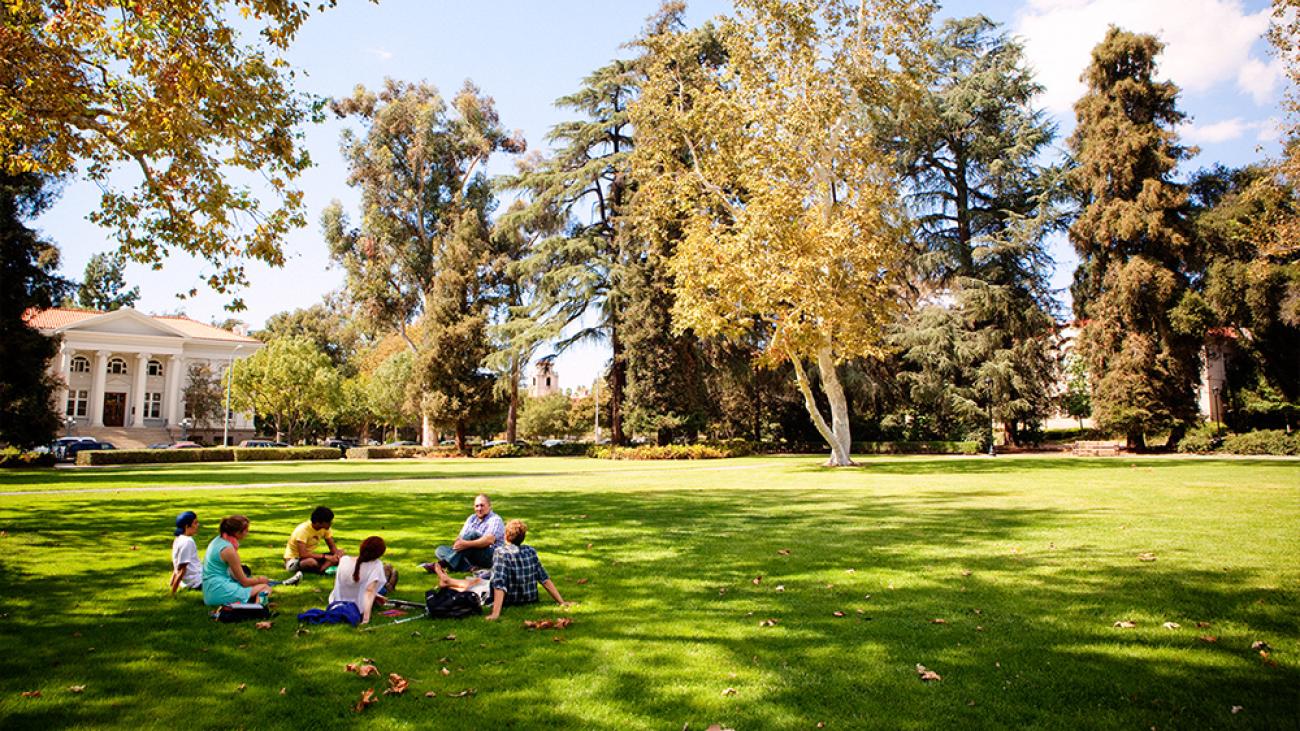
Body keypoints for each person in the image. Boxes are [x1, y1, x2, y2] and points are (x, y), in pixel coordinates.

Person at [436, 519, 567, 621]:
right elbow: (544, 579)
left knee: (478, 584)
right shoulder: (530, 551)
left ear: (505, 535)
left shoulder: (501, 553)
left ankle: (447, 581)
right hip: (529, 598)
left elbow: (500, 584)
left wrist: (495, 613)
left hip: (510, 599)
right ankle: (447, 582)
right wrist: (561, 602)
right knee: (483, 579)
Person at [203, 515, 272, 607]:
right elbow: (245, 582)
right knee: (265, 588)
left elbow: (234, 575)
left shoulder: (218, 540)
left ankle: (252, 601)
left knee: (251, 587)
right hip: (219, 591)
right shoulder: (228, 550)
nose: (248, 532)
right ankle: (258, 609)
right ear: (237, 532)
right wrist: (260, 580)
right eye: (246, 530)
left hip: (210, 591)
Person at [426, 494, 505, 573]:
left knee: (473, 535)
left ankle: (442, 564)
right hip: (471, 554)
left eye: (482, 505)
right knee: (440, 550)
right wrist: (461, 544)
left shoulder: (495, 519)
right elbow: (459, 538)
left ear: (489, 506)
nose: (479, 508)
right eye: (477, 506)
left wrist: (467, 544)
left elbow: (489, 540)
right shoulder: (472, 518)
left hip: (491, 556)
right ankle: (469, 568)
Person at [330, 536, 389, 625]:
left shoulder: (344, 560)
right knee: (389, 572)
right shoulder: (376, 565)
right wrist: (365, 619)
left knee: (387, 571)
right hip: (358, 606)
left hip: (337, 602)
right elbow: (369, 591)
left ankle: (387, 585)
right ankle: (389, 585)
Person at [283, 506, 342, 574]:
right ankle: (323, 569)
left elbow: (332, 547)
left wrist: (336, 556)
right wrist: (326, 557)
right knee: (311, 562)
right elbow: (303, 554)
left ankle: (322, 569)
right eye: (328, 522)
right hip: (294, 560)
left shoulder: (325, 529)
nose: (331, 523)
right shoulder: (303, 530)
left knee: (341, 553)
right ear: (318, 522)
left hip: (310, 557)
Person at [170, 511, 202, 595]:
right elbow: (182, 569)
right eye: (195, 523)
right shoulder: (188, 542)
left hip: (192, 580)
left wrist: (171, 583)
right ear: (187, 526)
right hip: (197, 582)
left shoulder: (178, 539)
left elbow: (177, 565)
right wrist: (173, 592)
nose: (198, 525)